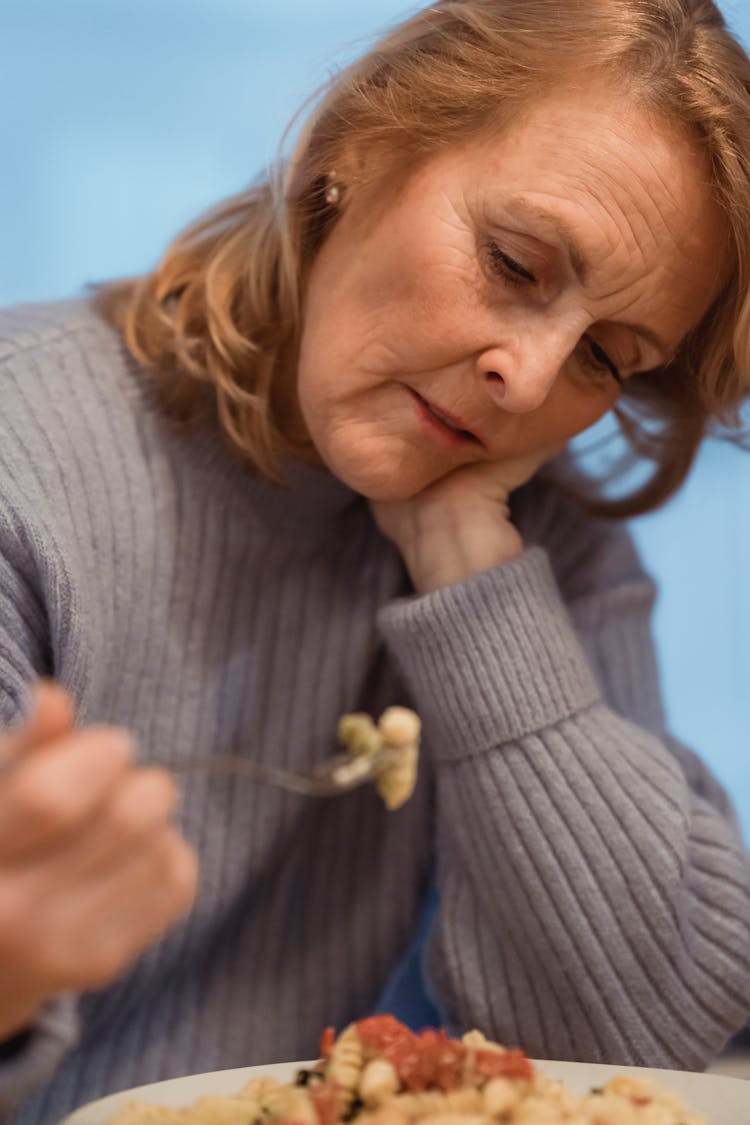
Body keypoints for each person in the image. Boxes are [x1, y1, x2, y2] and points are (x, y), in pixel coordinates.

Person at [2, 0, 750, 1120]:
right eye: (515, 263)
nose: (534, 382)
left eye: (606, 355)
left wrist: (472, 580)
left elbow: (645, 1051)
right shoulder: (25, 457)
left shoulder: (546, 548)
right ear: (359, 148)